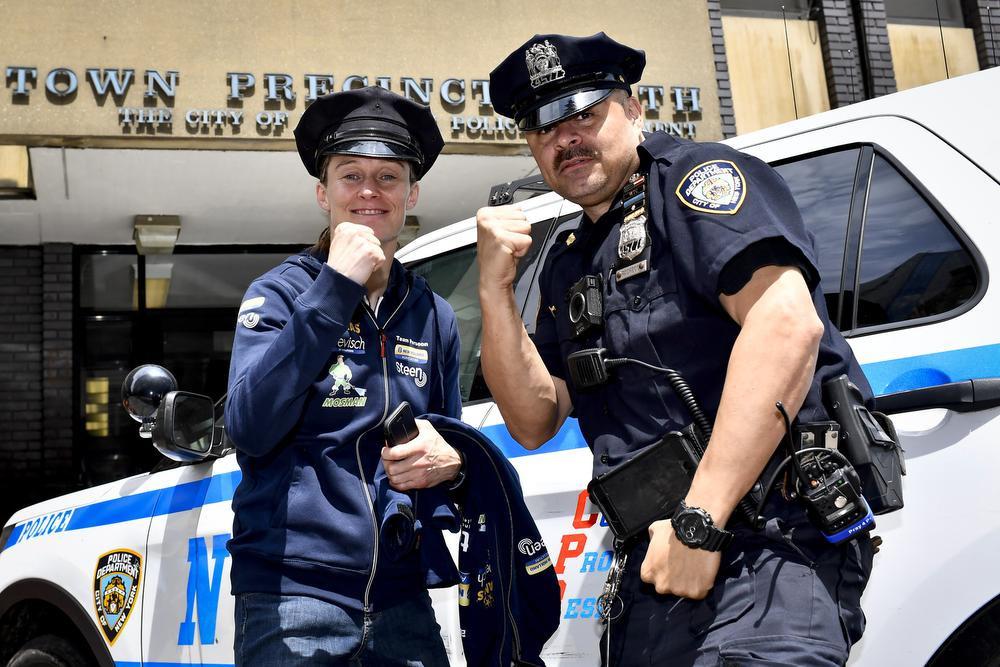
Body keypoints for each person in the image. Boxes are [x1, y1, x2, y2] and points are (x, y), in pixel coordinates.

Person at [478, 32, 875, 665]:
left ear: (632, 108)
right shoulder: (567, 259)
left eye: (584, 111)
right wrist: (495, 291)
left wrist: (701, 520)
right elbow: (533, 419)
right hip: (658, 565)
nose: (565, 137)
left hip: (767, 544)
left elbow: (785, 326)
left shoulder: (696, 182)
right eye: (543, 126)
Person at [224, 85, 465, 666]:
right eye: (350, 175)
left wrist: (451, 465)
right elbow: (249, 429)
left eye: (387, 177)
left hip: (403, 600)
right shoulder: (280, 293)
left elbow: (449, 443)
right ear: (322, 192)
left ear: (412, 193)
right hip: (292, 596)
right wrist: (335, 289)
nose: (368, 192)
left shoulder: (435, 314)